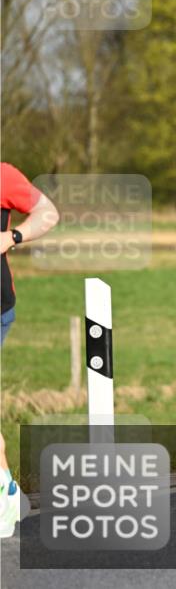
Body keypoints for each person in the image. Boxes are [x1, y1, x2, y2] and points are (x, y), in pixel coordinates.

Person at [1, 162, 60, 536]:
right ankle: (10, 494)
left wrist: (13, 237)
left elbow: (48, 213)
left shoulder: (2, 175)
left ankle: (5, 499)